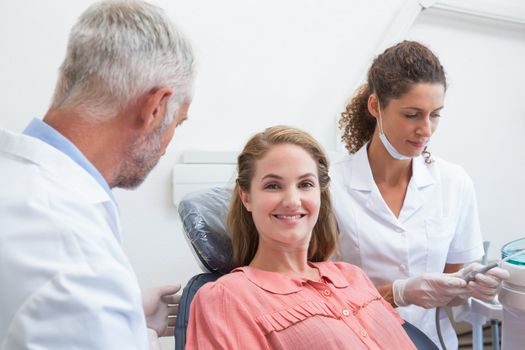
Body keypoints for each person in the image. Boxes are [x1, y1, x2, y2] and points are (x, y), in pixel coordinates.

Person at [0, 1, 194, 349]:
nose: (166, 146)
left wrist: (127, 319)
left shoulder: (14, 178)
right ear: (155, 108)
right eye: (176, 123)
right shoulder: (78, 263)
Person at [331, 40, 508, 349]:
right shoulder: (330, 185)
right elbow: (315, 295)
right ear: (375, 107)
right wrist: (397, 293)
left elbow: (453, 288)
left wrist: (472, 285)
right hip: (357, 341)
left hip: (433, 342)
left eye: (435, 114)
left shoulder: (454, 182)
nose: (426, 130)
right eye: (412, 115)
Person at [186, 126, 416, 349]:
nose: (292, 201)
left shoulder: (352, 276)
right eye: (273, 185)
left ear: (320, 194)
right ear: (246, 197)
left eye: (305, 184)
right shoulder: (228, 297)